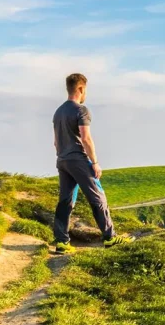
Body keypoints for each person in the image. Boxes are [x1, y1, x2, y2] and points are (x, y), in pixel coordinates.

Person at [52, 73, 133, 254]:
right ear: (81, 89)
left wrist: (63, 156)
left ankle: (61, 242)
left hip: (62, 160)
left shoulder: (58, 112)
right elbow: (86, 138)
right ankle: (110, 238)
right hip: (78, 160)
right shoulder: (81, 110)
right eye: (85, 90)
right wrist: (95, 163)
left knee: (66, 200)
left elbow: (56, 141)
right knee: (98, 198)